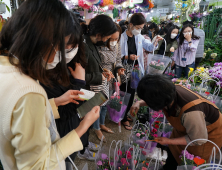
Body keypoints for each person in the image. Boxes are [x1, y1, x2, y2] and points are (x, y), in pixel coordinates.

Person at [0, 0, 100, 169]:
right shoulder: (30, 91)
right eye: (62, 47)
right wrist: (82, 128)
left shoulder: (6, 67)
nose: (61, 56)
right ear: (41, 41)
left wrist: (53, 104)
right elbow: (38, 166)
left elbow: (15, 122)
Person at [40, 13, 99, 162]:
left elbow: (68, 103)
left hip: (72, 131)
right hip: (60, 137)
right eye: (66, 45)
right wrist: (79, 82)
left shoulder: (69, 63)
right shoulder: (40, 75)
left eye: (74, 45)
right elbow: (63, 111)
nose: (71, 50)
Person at [130, 74, 222, 170]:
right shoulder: (168, 92)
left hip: (204, 135)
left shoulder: (191, 113)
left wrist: (169, 141)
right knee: (173, 153)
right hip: (187, 128)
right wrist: (139, 103)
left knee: (188, 162)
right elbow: (157, 98)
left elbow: (199, 139)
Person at [120, 13, 162, 130]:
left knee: (132, 93)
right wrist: (128, 57)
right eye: (138, 28)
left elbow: (149, 48)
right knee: (125, 93)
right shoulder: (121, 37)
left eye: (141, 28)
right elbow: (118, 55)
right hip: (124, 70)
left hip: (136, 69)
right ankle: (122, 118)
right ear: (131, 25)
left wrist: (155, 41)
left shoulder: (139, 37)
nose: (139, 30)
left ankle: (125, 115)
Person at [81, 15, 117, 141]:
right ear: (99, 34)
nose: (108, 40)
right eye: (108, 37)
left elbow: (92, 64)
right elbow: (78, 77)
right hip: (86, 91)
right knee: (84, 122)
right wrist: (99, 76)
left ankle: (85, 144)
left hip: (90, 90)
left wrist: (103, 70)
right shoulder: (84, 46)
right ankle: (83, 148)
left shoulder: (92, 44)